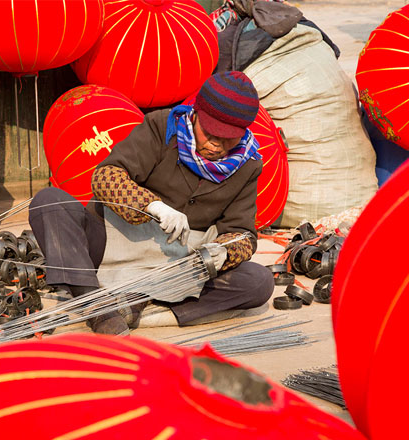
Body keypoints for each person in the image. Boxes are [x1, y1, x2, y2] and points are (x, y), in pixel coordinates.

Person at [29, 71, 274, 335]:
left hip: (179, 268)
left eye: (229, 138)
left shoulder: (248, 165)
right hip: (113, 246)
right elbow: (106, 176)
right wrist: (152, 206)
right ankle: (96, 305)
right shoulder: (161, 127)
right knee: (48, 202)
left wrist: (225, 251)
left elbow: (243, 234)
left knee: (259, 282)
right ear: (195, 114)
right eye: (210, 133)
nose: (216, 145)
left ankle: (141, 306)